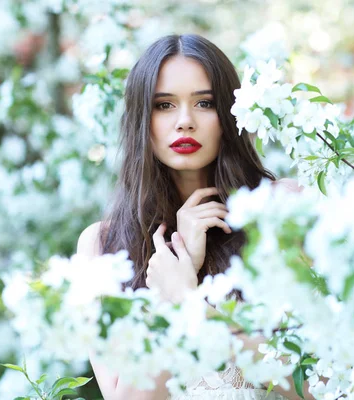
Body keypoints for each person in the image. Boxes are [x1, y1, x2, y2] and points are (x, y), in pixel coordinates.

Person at [76, 34, 305, 400]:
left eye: (204, 102)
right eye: (164, 105)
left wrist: (187, 301)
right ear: (141, 119)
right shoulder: (102, 245)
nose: (184, 121)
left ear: (230, 112)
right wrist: (166, 295)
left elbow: (320, 388)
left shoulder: (281, 209)